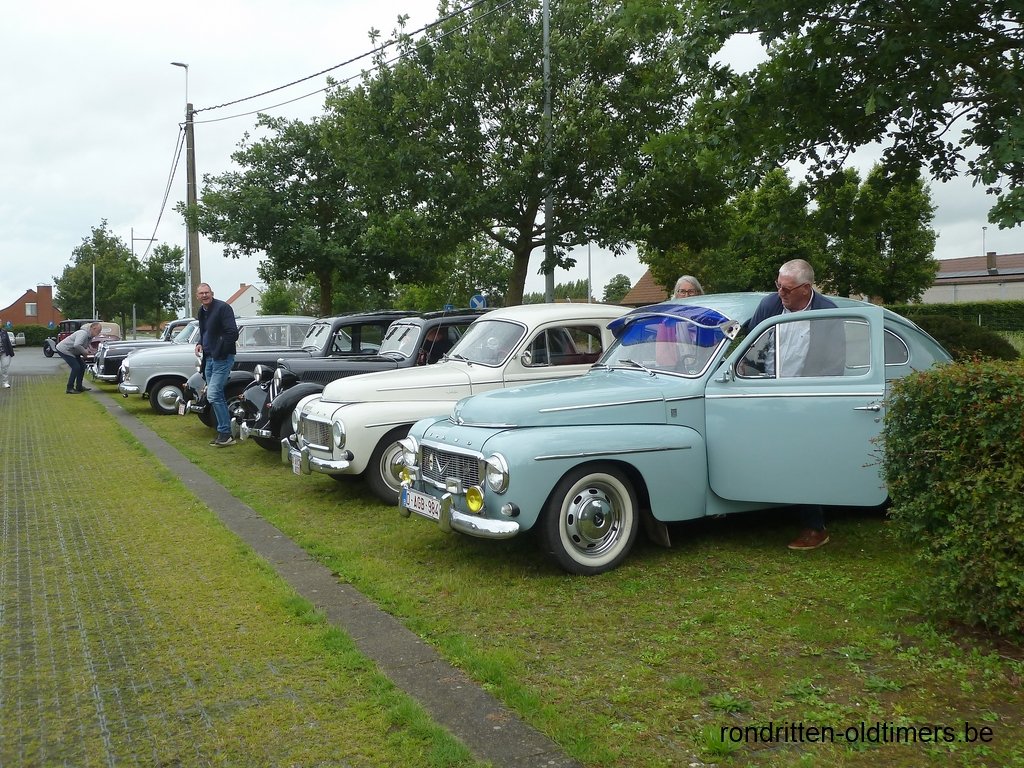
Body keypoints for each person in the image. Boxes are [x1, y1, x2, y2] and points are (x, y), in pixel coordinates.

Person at [746, 259, 844, 551]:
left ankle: (815, 527)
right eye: (778, 286)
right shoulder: (769, 305)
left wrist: (810, 399)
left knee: (803, 459)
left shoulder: (828, 313)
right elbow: (752, 345)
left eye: (787, 289)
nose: (780, 294)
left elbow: (835, 364)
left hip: (805, 397)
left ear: (806, 288)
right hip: (765, 392)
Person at [195, 283, 239, 447]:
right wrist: (200, 343)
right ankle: (225, 432)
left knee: (213, 394)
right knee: (216, 395)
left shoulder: (223, 308)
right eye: (201, 293)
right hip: (209, 358)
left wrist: (220, 349)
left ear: (212, 293)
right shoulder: (202, 311)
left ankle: (225, 433)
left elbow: (232, 333)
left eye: (207, 292)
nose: (204, 295)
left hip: (222, 358)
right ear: (197, 296)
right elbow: (205, 331)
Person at [55, 321, 101, 394]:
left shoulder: (90, 337)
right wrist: (85, 352)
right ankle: (69, 388)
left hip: (73, 351)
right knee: (76, 367)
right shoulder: (83, 333)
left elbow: (83, 347)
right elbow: (77, 345)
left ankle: (79, 386)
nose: (98, 333)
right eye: (98, 331)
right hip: (65, 349)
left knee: (82, 366)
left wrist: (85, 354)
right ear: (93, 328)